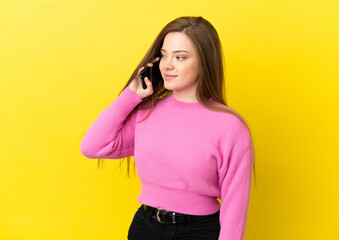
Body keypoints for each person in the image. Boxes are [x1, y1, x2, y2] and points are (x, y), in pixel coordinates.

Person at [80, 16, 255, 240]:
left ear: (204, 62)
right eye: (163, 55)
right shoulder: (146, 113)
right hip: (146, 228)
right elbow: (92, 146)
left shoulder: (230, 127)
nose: (167, 65)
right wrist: (131, 95)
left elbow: (235, 207)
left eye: (180, 57)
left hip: (200, 232)